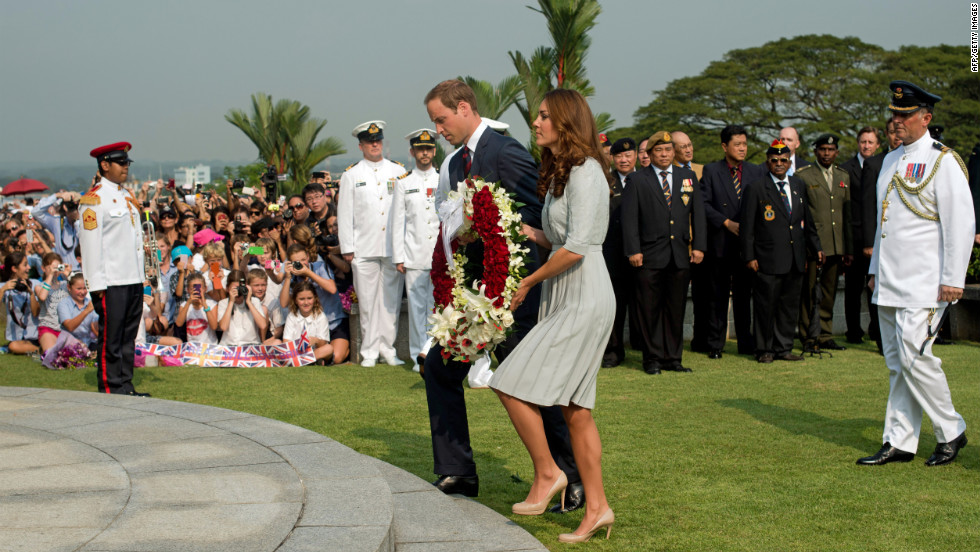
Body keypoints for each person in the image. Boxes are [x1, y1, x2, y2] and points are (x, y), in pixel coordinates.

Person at [423, 79, 583, 514]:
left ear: (463, 108)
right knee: (439, 367)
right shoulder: (456, 164)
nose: (438, 129)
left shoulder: (504, 150)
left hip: (515, 292)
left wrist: (517, 275)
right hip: (475, 295)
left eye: (440, 119)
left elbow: (538, 215)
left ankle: (572, 477)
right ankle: (458, 470)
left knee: (530, 382)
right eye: (434, 122)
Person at [489, 88, 615, 543]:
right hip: (565, 294)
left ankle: (549, 473)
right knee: (576, 410)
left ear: (566, 122)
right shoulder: (565, 173)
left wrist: (527, 281)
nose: (536, 122)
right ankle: (597, 508)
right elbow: (556, 235)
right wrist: (506, 225)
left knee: (506, 381)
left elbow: (579, 247)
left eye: (544, 116)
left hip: (584, 294)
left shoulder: (587, 173)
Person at [858, 81, 974, 467]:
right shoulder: (890, 161)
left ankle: (951, 429)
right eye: (894, 115)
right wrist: (875, 270)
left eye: (905, 115)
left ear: (926, 118)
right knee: (896, 362)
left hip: (927, 282)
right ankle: (900, 441)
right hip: (891, 280)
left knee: (915, 356)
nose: (897, 122)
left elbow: (960, 222)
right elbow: (884, 224)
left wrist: (954, 278)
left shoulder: (944, 160)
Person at [622, 131, 706, 374]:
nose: (665, 154)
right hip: (648, 256)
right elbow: (629, 219)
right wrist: (633, 250)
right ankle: (652, 359)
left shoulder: (687, 176)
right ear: (649, 154)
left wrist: (699, 246)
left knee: (676, 309)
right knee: (649, 311)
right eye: (659, 150)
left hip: (679, 254)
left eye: (668, 150)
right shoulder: (638, 180)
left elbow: (697, 214)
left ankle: (673, 358)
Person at [741, 140, 823, 362]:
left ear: (789, 162)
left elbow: (806, 220)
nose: (779, 164)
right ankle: (764, 349)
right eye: (774, 160)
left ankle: (783, 347)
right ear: (767, 163)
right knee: (766, 306)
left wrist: (816, 247)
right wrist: (749, 256)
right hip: (767, 259)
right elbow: (747, 227)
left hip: (795, 258)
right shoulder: (756, 188)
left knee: (788, 306)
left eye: (783, 160)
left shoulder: (798, 185)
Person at [79, 142, 149, 396]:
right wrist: (95, 285)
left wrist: (142, 277)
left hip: (132, 278)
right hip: (111, 281)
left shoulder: (127, 196)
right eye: (120, 163)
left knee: (128, 338)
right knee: (112, 338)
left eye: (126, 163)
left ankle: (125, 385)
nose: (125, 168)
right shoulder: (94, 200)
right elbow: (90, 245)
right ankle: (111, 387)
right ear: (105, 165)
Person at [336, 120, 407, 367]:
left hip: (391, 248)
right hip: (363, 248)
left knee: (390, 302)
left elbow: (403, 212)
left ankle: (388, 349)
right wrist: (348, 248)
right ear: (361, 146)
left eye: (377, 141)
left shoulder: (398, 172)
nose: (374, 145)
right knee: (366, 303)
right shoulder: (351, 175)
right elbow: (345, 214)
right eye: (369, 142)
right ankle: (369, 351)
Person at [700, 125, 765, 359]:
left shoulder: (756, 171)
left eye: (744, 144)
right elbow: (703, 205)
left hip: (746, 245)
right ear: (724, 146)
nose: (742, 149)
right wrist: (726, 222)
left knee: (743, 296)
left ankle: (745, 343)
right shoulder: (711, 171)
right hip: (720, 243)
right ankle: (715, 344)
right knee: (717, 296)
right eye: (737, 144)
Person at [796, 134, 852, 352]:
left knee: (829, 292)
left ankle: (826, 334)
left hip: (836, 245)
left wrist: (847, 248)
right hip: (815, 246)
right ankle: (809, 336)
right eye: (822, 149)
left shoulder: (843, 176)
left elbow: (846, 216)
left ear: (837, 152)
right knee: (809, 293)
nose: (826, 153)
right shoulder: (804, 176)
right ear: (815, 152)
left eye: (831, 149)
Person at [392, 129, 441, 373]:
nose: (425, 153)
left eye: (428, 148)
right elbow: (397, 222)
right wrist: (398, 256)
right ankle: (416, 356)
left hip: (439, 255)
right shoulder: (404, 183)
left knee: (437, 308)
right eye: (420, 149)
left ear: (434, 150)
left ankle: (431, 352)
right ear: (412, 152)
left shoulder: (443, 179)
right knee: (415, 309)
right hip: (413, 255)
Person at [840, 127, 881, 344]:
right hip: (854, 238)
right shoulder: (845, 169)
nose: (866, 145)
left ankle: (876, 330)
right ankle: (853, 331)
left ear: (877, 145)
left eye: (870, 142)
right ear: (858, 143)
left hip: (877, 237)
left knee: (875, 287)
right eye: (863, 141)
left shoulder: (885, 166)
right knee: (853, 288)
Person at [601, 137, 636, 368]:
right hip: (612, 253)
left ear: (635, 156)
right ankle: (613, 351)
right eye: (619, 156)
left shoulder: (644, 179)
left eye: (628, 155)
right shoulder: (606, 181)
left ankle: (644, 348)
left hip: (642, 252)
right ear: (613, 158)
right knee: (614, 305)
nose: (624, 159)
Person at [280, 280, 334, 364]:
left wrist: (315, 340)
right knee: (277, 344)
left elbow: (323, 344)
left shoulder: (321, 316)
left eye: (309, 298)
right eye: (301, 299)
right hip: (295, 352)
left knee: (329, 349)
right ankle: (303, 361)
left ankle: (303, 361)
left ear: (315, 298)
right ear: (295, 300)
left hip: (314, 352)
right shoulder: (292, 316)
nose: (306, 303)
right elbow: (286, 341)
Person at [1, 251, 42, 354]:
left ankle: (41, 349)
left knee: (13, 347)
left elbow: (36, 312)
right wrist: (3, 290)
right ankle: (41, 350)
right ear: (14, 269)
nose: (29, 267)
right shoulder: (3, 286)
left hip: (35, 335)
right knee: (13, 346)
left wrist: (31, 294)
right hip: (16, 339)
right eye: (25, 265)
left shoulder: (35, 284)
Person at [216, 270, 268, 346]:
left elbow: (263, 325)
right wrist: (231, 302)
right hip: (229, 345)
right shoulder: (223, 303)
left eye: (240, 288)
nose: (238, 291)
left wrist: (249, 302)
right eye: (235, 289)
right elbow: (223, 327)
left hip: (251, 344)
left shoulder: (254, 301)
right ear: (227, 288)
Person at [35, 252, 72, 352]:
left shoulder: (65, 285)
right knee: (51, 354)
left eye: (57, 267)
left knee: (82, 352)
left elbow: (81, 290)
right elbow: (42, 297)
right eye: (51, 267)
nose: (55, 270)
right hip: (47, 327)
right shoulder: (39, 286)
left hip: (64, 329)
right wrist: (50, 274)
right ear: (43, 268)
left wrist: (68, 274)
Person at [57, 273, 100, 349]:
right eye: (79, 289)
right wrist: (86, 311)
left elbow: (95, 327)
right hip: (69, 343)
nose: (83, 292)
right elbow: (70, 327)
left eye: (84, 288)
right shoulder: (64, 304)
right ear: (69, 288)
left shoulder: (90, 303)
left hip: (88, 343)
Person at [175, 272, 219, 345]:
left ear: (205, 288)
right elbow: (179, 324)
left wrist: (204, 304)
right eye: (193, 288)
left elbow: (214, 326)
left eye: (199, 288)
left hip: (209, 345)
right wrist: (188, 302)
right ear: (188, 290)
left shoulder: (212, 304)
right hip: (192, 347)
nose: (196, 290)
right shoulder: (184, 305)